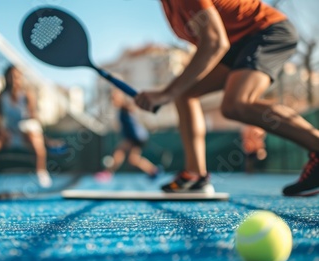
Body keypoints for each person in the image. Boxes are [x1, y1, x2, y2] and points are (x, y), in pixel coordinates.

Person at [134, 0, 319, 196]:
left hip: (267, 30)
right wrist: (172, 91)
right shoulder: (168, 6)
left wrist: (165, 93)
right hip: (236, 46)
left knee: (237, 104)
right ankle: (195, 175)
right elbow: (211, 43)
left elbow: (215, 42)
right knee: (184, 95)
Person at [0, 66, 52, 188]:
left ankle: (41, 172)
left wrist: (27, 128)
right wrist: (1, 130)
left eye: (17, 76)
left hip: (26, 132)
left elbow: (34, 117)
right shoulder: (1, 97)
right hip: (9, 133)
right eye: (11, 76)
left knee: (37, 142)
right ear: (7, 78)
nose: (14, 79)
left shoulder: (27, 95)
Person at [95, 88, 161, 182]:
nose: (112, 101)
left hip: (135, 136)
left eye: (114, 98)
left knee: (119, 151)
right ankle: (153, 171)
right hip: (138, 136)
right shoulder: (123, 110)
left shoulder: (125, 108)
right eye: (112, 99)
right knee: (133, 159)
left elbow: (132, 118)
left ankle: (108, 173)